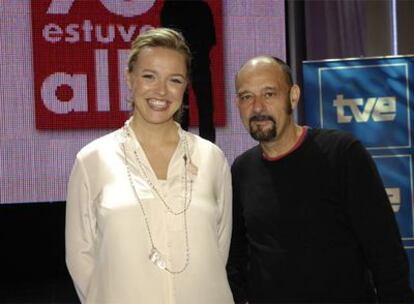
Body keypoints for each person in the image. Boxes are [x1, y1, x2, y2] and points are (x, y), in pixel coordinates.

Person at [226, 55, 414, 303]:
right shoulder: (242, 169)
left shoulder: (342, 153)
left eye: (269, 93)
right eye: (247, 96)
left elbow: (386, 255)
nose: (258, 107)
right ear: (237, 103)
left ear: (293, 96)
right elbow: (236, 258)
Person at [65, 28, 233, 304]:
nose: (161, 91)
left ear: (186, 86)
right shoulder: (93, 159)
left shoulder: (211, 158)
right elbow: (80, 257)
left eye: (175, 80)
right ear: (130, 78)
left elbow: (218, 249)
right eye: (149, 76)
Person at [161, 0, 217, 142]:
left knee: (203, 110)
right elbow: (167, 40)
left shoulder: (200, 7)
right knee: (182, 109)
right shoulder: (169, 8)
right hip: (181, 68)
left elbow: (209, 38)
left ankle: (208, 149)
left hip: (197, 67)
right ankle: (182, 147)